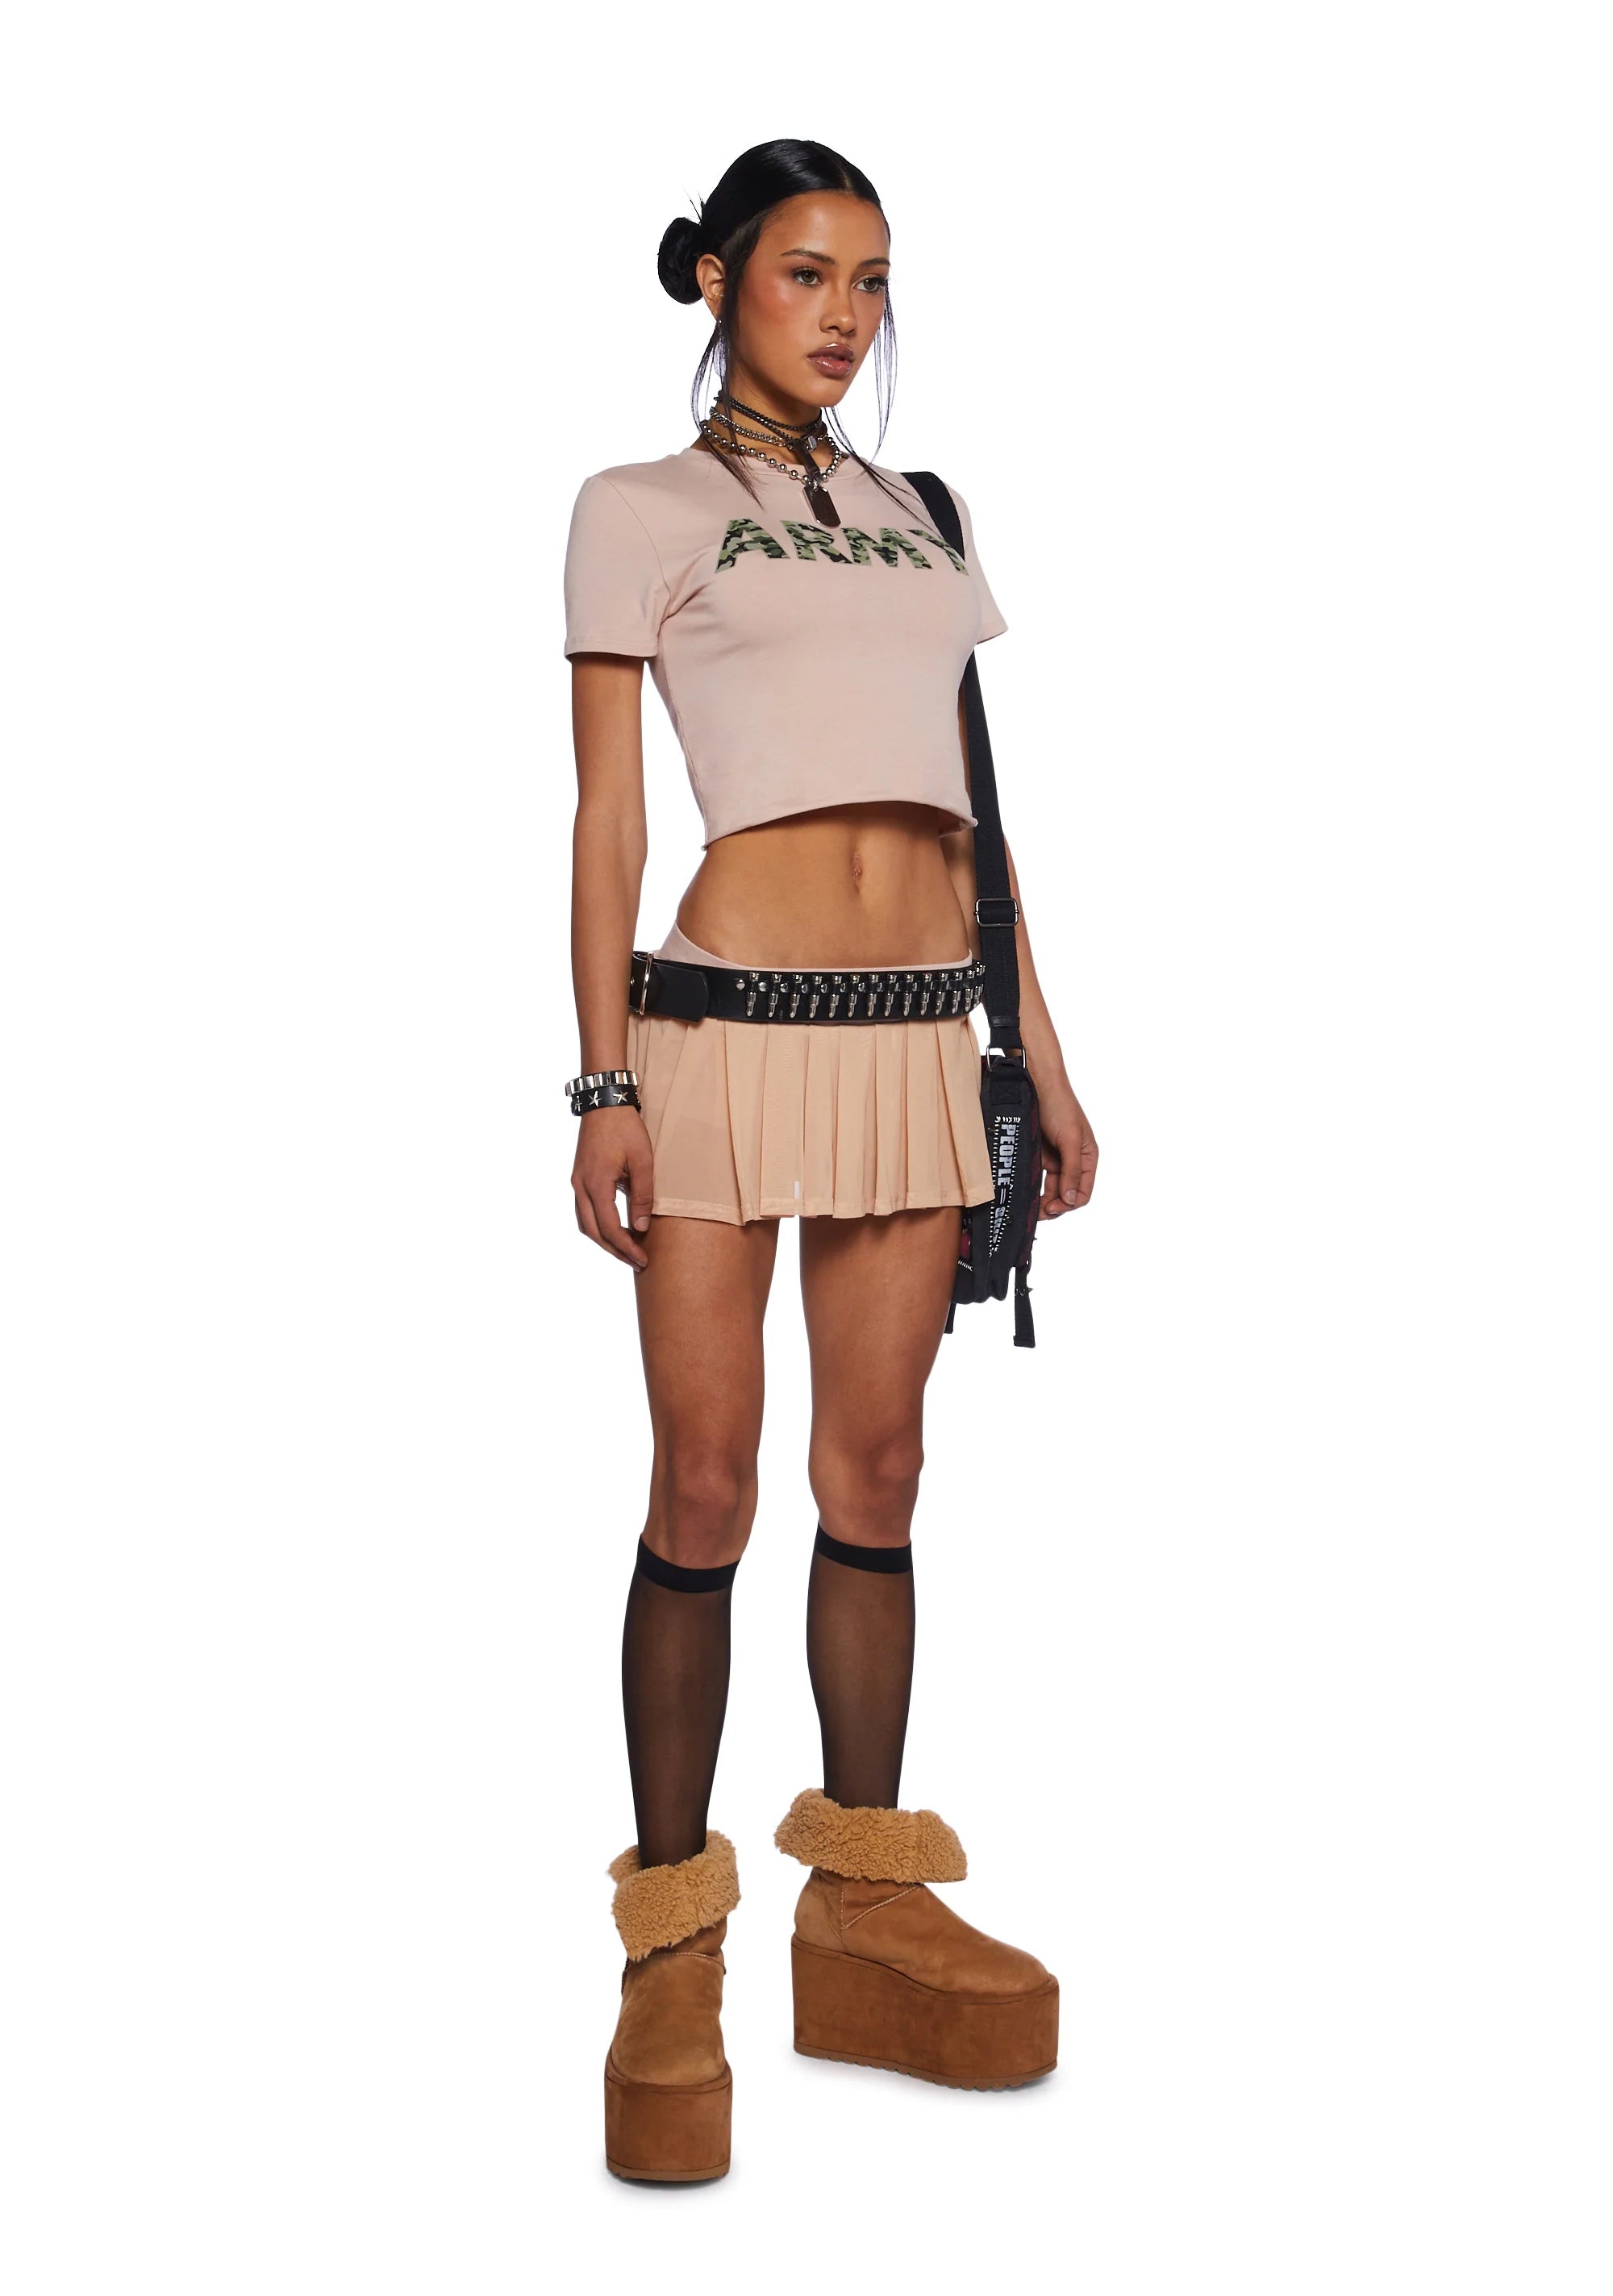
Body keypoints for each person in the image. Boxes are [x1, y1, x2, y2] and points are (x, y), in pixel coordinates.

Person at [563, 139, 1098, 2182]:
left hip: (908, 1040)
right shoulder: (636, 507)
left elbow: (971, 812)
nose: (847, 314)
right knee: (703, 1482)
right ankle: (669, 1940)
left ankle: (860, 1905)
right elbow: (610, 821)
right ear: (716, 279)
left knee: (875, 1477)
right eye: (806, 272)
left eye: (872, 278)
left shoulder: (916, 512)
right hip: (718, 1035)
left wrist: (1040, 1055)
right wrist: (600, 1083)